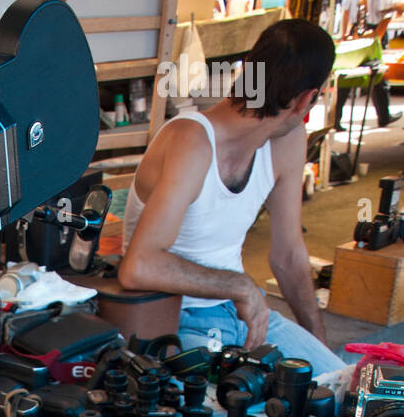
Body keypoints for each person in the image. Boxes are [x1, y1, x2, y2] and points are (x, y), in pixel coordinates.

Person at [120, 19, 343, 374]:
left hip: (244, 315)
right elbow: (138, 267)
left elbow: (288, 255)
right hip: (177, 315)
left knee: (340, 389)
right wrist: (239, 286)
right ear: (308, 99)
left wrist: (317, 343)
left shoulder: (288, 140)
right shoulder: (191, 140)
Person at [337, 0, 404, 128]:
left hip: (356, 28)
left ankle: (336, 117)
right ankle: (383, 115)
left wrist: (345, 32)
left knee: (349, 70)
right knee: (377, 71)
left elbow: (347, 5)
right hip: (374, 29)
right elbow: (384, 7)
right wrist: (399, 6)